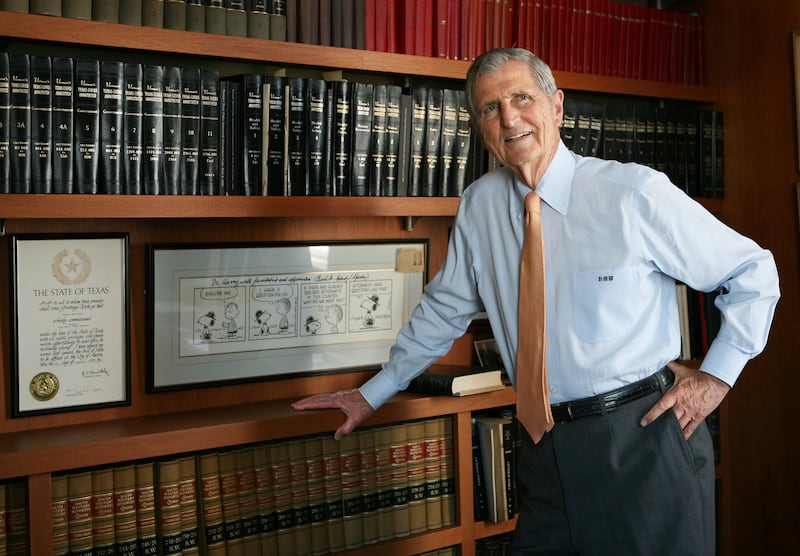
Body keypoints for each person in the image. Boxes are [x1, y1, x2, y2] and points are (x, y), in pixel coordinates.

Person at [293, 48, 780, 555]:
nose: (508, 117)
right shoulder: (479, 206)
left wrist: (717, 378)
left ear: (557, 107)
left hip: (642, 441)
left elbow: (752, 270)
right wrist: (370, 394)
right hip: (543, 451)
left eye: (521, 97)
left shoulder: (632, 194)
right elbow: (443, 311)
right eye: (489, 107)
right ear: (479, 127)